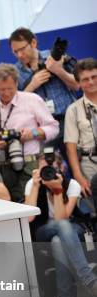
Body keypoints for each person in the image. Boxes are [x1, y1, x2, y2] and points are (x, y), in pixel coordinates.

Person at [24, 152, 97, 297]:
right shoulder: (32, 183)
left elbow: (61, 218)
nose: (47, 174)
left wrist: (57, 190)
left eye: (51, 169)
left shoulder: (71, 185)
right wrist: (36, 186)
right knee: (59, 230)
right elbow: (29, 217)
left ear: (61, 169)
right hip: (43, 230)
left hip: (71, 229)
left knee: (59, 240)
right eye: (44, 169)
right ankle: (88, 279)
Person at [0, 63, 59, 202]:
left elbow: (53, 127)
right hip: (1, 166)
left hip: (30, 164)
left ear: (16, 83)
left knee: (33, 206)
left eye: (10, 88)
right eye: (1, 89)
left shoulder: (32, 100)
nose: (7, 93)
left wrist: (32, 134)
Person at [10, 28, 79, 156]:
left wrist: (58, 70)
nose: (19, 55)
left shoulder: (54, 56)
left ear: (34, 43)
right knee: (47, 169)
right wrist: (32, 85)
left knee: (80, 164)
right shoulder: (14, 72)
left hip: (69, 120)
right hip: (43, 129)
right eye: (15, 52)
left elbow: (77, 85)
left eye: (22, 49)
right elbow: (14, 105)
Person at [64, 58, 97, 200]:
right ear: (78, 83)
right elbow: (70, 148)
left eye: (94, 77)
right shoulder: (73, 110)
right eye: (85, 79)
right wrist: (79, 177)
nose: (90, 82)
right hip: (89, 164)